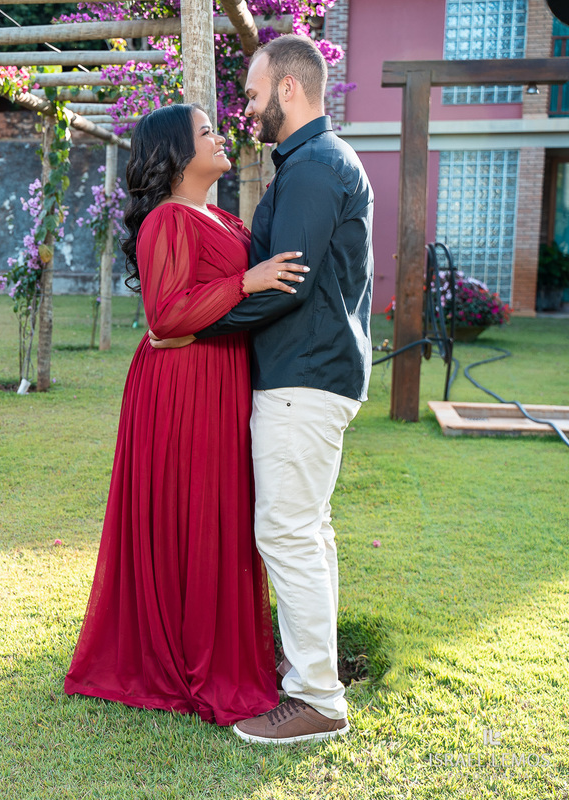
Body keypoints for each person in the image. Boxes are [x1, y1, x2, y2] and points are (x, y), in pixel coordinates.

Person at [152, 34, 374, 744]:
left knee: (286, 532)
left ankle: (315, 698)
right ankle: (314, 674)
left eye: (250, 95)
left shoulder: (313, 170)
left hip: (302, 378)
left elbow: (285, 285)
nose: (245, 110)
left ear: (288, 90)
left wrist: (195, 330)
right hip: (312, 376)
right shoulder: (311, 164)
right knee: (307, 532)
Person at [63, 102, 309, 725]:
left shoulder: (220, 216)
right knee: (195, 515)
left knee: (221, 514)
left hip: (218, 377)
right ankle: (185, 655)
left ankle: (225, 645)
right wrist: (246, 284)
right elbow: (166, 318)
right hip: (182, 390)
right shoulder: (167, 221)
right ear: (175, 155)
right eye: (206, 132)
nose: (220, 136)